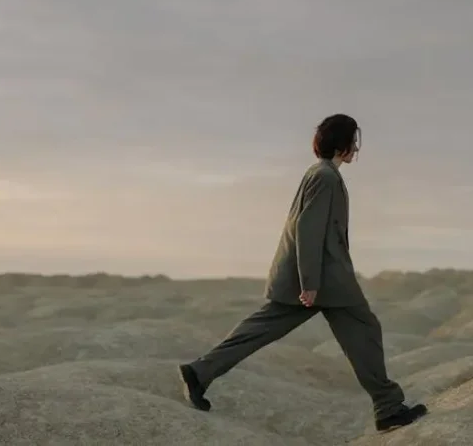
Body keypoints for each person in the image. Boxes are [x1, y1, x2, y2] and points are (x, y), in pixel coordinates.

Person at [178, 113, 428, 433]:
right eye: (354, 141)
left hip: (313, 276)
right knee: (365, 329)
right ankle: (389, 407)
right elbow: (308, 229)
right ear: (343, 144)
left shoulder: (319, 172)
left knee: (261, 328)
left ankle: (200, 372)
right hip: (325, 279)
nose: (356, 148)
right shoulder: (326, 177)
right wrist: (310, 283)